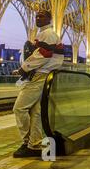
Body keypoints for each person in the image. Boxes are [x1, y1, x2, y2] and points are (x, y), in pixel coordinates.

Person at [12, 10, 64, 158]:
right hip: (41, 74)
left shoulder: (48, 34)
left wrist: (23, 68)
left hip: (40, 75)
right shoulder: (44, 34)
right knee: (35, 112)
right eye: (36, 16)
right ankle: (34, 145)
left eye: (42, 16)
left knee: (19, 109)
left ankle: (27, 142)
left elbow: (44, 55)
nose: (38, 18)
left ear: (49, 18)